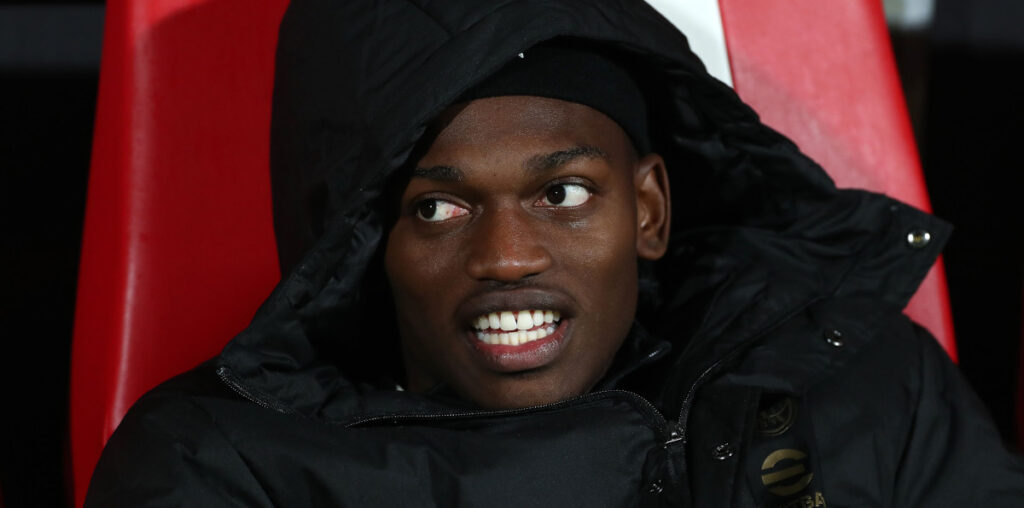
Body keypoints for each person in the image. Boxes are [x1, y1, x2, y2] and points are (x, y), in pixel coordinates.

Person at [85, 0, 1024, 506]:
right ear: (364, 246)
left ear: (650, 209)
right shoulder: (221, 464)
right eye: (440, 207)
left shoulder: (861, 381)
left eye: (563, 193)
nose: (506, 256)